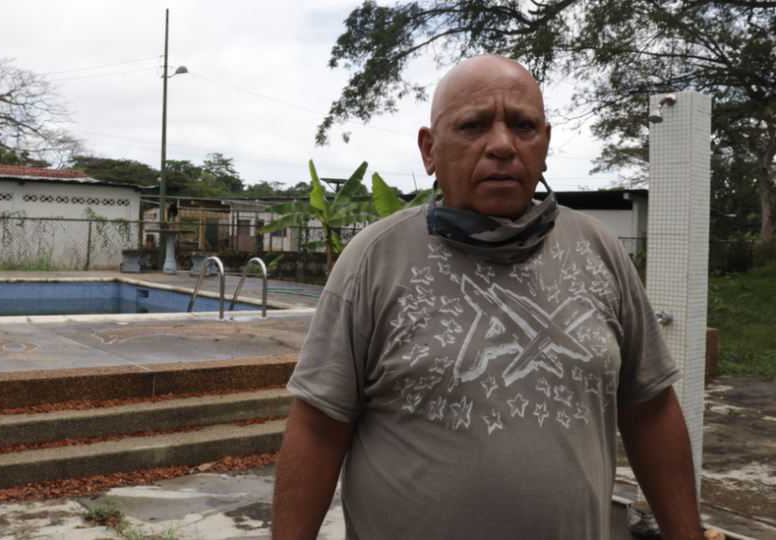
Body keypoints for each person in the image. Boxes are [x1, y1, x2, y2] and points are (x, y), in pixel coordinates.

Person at [272, 55, 702, 539]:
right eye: (474, 125)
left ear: (545, 143)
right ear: (429, 150)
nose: (502, 145)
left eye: (523, 126)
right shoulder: (374, 261)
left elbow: (650, 409)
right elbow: (317, 427)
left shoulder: (599, 249)